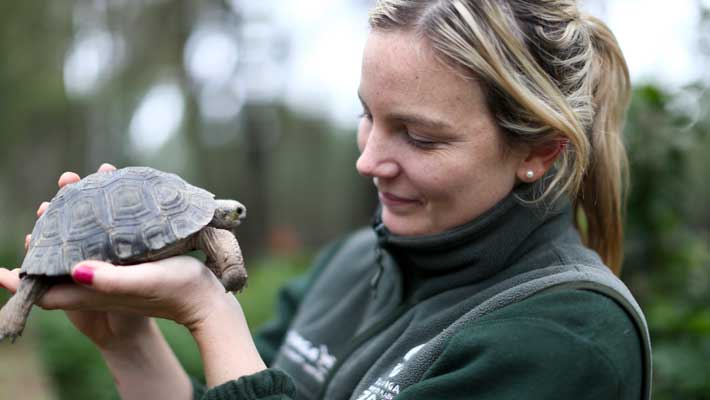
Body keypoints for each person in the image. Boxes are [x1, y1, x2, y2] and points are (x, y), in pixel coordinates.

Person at [0, 0, 651, 399]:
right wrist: (124, 337)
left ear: (539, 151)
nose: (368, 160)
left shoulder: (567, 341)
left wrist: (210, 309)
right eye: (368, 116)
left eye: (419, 137)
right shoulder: (350, 263)